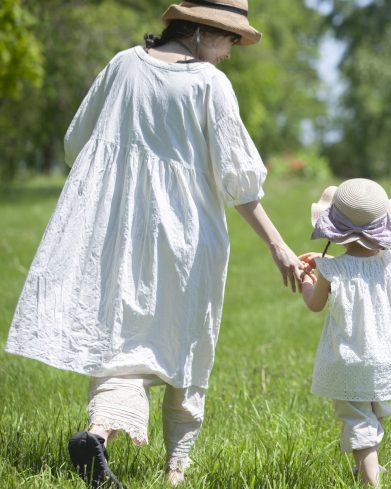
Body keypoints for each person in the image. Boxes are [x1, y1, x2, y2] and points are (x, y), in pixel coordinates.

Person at [4, 1, 303, 487]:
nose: (231, 53)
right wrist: (278, 247)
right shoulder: (210, 84)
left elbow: (77, 142)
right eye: (231, 39)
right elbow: (239, 180)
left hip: (118, 232)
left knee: (123, 344)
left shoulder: (123, 65)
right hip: (188, 237)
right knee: (185, 348)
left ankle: (99, 433)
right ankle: (174, 472)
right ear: (206, 31)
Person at [298, 179, 391, 487]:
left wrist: (308, 277)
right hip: (386, 355)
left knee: (357, 418)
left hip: (351, 358)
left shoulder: (332, 270)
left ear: (334, 228)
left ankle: (369, 480)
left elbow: (314, 304)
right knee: (373, 409)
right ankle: (369, 466)